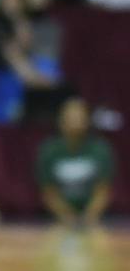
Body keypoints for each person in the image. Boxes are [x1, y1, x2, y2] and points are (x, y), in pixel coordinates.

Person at [35, 96, 113, 228]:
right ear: (61, 121)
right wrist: (67, 217)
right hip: (58, 219)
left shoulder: (100, 149)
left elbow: (103, 191)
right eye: (70, 118)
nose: (75, 122)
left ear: (87, 120)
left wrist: (89, 217)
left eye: (79, 118)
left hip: (95, 218)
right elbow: (48, 192)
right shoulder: (49, 150)